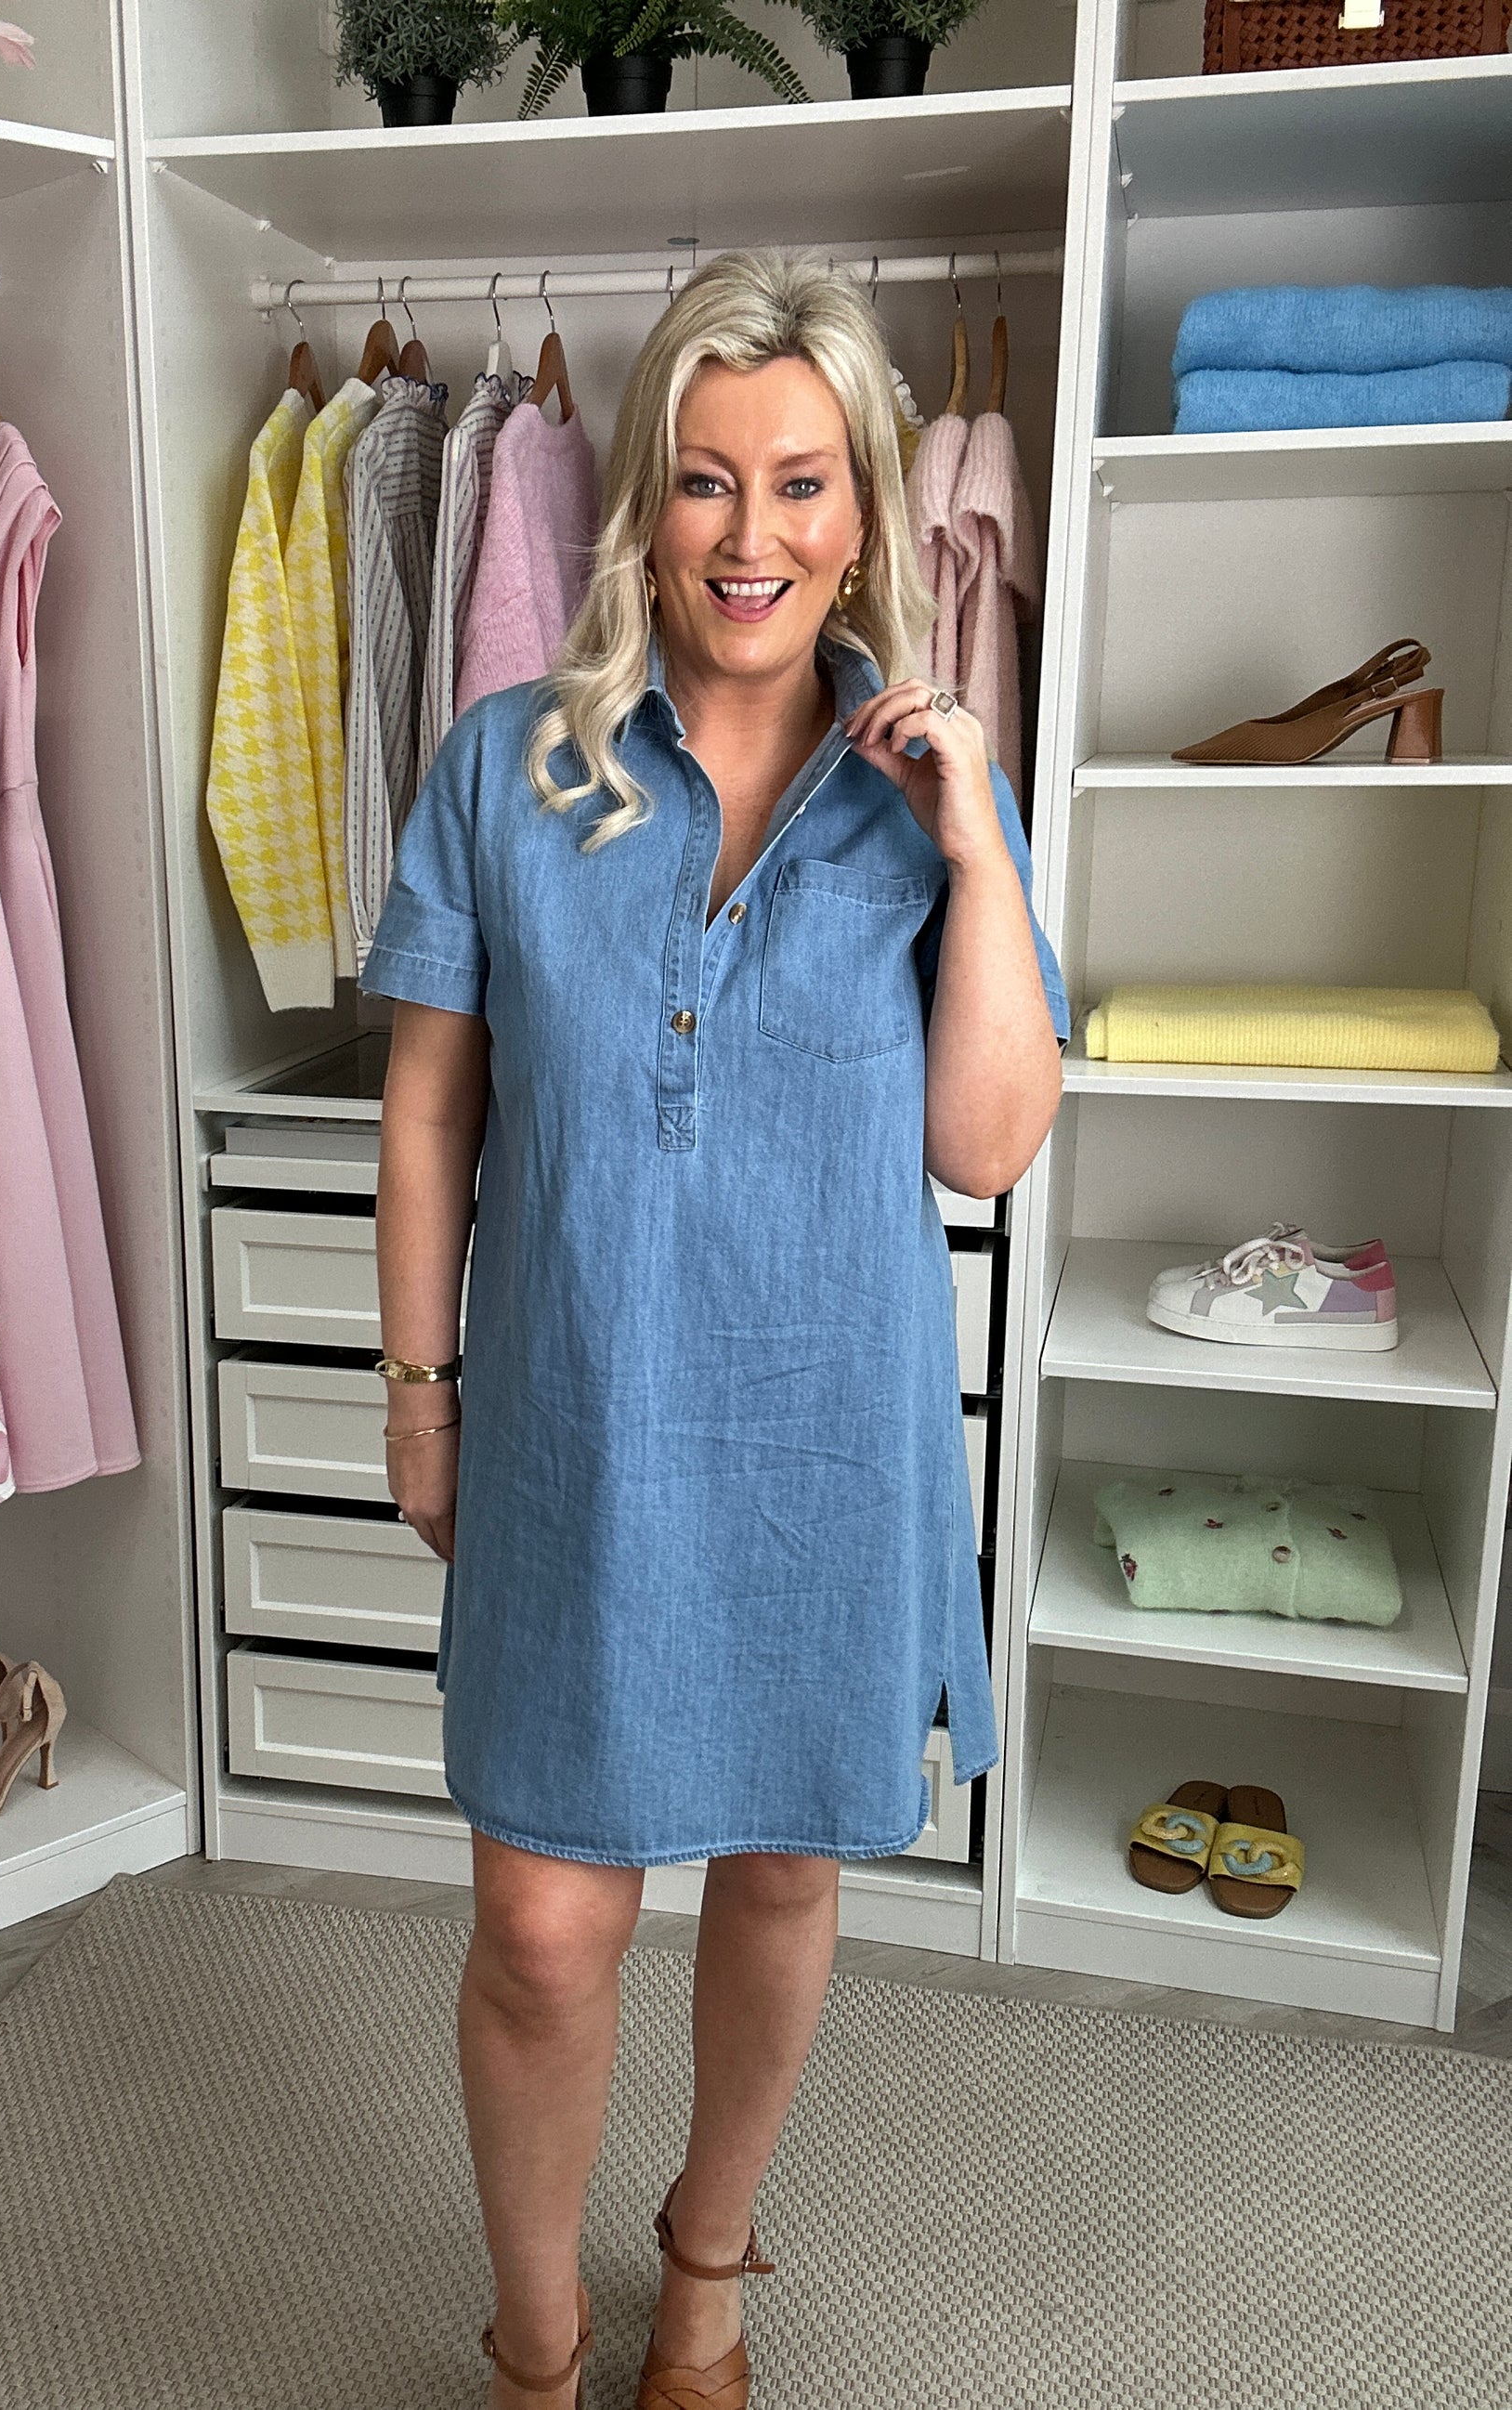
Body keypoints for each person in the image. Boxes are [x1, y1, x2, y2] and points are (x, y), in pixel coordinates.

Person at [358, 247, 1069, 2410]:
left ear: (860, 512)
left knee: (776, 1868)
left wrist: (974, 839)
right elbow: (429, 1104)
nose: (748, 533)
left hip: (827, 1430)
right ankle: (534, 2341)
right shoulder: (503, 765)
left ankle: (705, 2267)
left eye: (798, 481)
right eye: (701, 478)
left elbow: (987, 1142)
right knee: (541, 1926)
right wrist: (417, 1391)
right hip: (578, 1423)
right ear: (644, 504)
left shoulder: (927, 787)